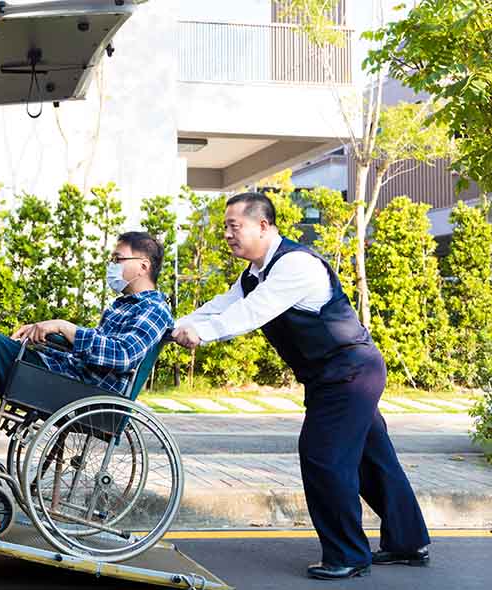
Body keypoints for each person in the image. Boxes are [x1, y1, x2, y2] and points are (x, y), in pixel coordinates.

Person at [173, 192, 430, 580]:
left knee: (324, 456)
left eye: (233, 226)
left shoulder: (295, 265)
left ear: (263, 225)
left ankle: (348, 554)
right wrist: (174, 325)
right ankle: (409, 543)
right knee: (373, 458)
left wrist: (201, 335)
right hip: (337, 375)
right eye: (225, 227)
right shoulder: (255, 274)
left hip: (349, 373)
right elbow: (222, 305)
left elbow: (250, 313)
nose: (227, 234)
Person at [0, 231, 173, 461]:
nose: (112, 264)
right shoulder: (121, 306)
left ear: (143, 266)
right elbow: (90, 351)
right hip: (72, 378)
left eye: (118, 258)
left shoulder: (154, 309)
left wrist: (65, 327)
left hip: (85, 393)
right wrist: (39, 337)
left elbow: (123, 355)